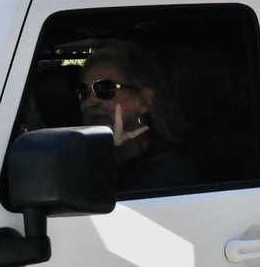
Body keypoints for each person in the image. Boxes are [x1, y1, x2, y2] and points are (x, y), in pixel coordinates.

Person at [78, 40, 201, 195]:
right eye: (84, 91)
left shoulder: (168, 172)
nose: (90, 102)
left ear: (144, 101)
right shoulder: (80, 156)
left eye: (104, 88)